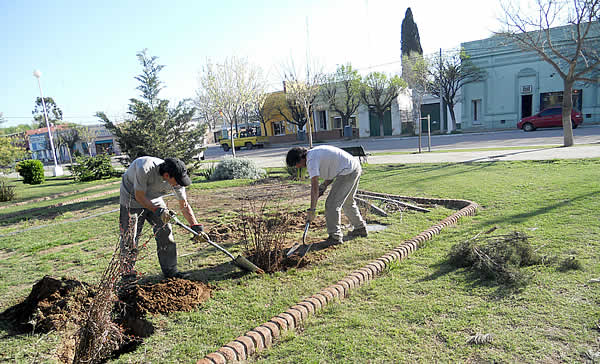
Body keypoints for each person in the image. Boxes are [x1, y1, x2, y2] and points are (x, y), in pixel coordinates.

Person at [119, 156, 203, 284]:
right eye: (177, 181)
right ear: (167, 175)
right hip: (131, 199)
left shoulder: (177, 178)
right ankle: (127, 274)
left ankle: (171, 271)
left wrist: (195, 226)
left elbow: (184, 204)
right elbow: (140, 197)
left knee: (165, 231)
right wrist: (158, 211)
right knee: (130, 237)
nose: (179, 184)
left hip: (154, 198)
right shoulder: (145, 167)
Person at [286, 145, 368, 245]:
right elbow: (334, 169)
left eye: (297, 164)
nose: (298, 167)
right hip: (354, 168)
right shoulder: (315, 154)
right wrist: (324, 185)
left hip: (348, 172)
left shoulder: (311, 160)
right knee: (347, 201)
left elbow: (314, 187)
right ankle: (360, 228)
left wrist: (312, 210)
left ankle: (335, 237)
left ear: (301, 158)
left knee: (331, 204)